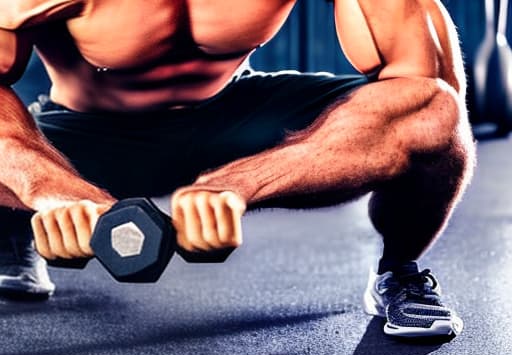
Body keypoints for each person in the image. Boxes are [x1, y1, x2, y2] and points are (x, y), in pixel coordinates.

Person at [0, 0, 475, 337]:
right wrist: (46, 185)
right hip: (86, 134)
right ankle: (16, 231)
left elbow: (426, 84)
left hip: (236, 116)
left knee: (433, 111)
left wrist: (242, 182)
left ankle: (399, 271)